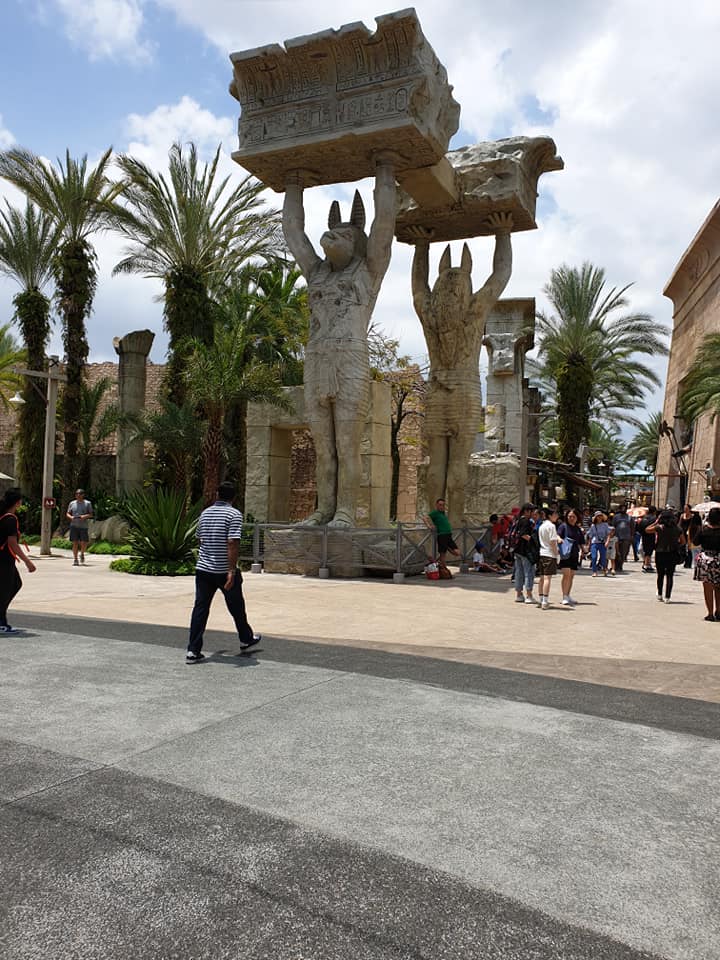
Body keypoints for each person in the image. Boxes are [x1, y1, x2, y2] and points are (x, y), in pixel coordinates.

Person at [186, 481, 260, 663]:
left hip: (203, 569)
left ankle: (193, 650)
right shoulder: (234, 514)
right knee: (236, 606)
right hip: (223, 570)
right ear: (234, 497)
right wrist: (231, 570)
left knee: (200, 608)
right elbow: (232, 542)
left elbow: (200, 539)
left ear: (217, 495)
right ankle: (246, 639)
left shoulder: (205, 513)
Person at [0, 487, 36, 633]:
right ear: (17, 502)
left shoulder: (3, 516)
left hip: (4, 560)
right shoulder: (11, 519)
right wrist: (27, 561)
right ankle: (1, 623)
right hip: (4, 560)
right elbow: (12, 543)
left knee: (14, 584)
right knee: (5, 591)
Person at [646, 509, 685, 604]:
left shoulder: (659, 527)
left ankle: (660, 594)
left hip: (660, 553)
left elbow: (647, 530)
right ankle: (667, 596)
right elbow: (683, 541)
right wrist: (676, 545)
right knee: (670, 575)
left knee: (660, 575)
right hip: (672, 553)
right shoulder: (678, 529)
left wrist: (656, 522)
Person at [694, 507, 720, 621]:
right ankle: (718, 611)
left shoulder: (703, 530)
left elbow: (695, 542)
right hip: (719, 559)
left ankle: (710, 613)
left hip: (706, 560)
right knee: (718, 588)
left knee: (707, 588)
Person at [557, 508, 585, 606]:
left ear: (577, 518)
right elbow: (557, 535)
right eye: (569, 516)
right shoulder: (563, 526)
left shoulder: (577, 529)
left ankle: (568, 595)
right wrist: (559, 539)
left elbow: (581, 541)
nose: (571, 518)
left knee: (571, 575)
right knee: (566, 574)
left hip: (574, 554)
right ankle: (564, 596)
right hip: (565, 554)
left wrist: (584, 550)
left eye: (573, 516)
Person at [512, 502, 538, 604]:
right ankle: (529, 595)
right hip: (525, 551)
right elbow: (524, 534)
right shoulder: (526, 521)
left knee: (519, 572)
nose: (533, 514)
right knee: (529, 572)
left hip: (518, 550)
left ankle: (519, 594)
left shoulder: (518, 520)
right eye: (532, 511)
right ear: (527, 511)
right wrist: (534, 542)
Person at [424, 498, 460, 571]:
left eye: (443, 505)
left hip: (448, 535)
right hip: (442, 535)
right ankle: (444, 570)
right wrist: (429, 526)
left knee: (457, 552)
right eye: (440, 505)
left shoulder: (443, 513)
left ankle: (440, 563)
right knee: (443, 555)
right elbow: (425, 518)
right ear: (437, 505)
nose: (442, 506)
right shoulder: (435, 513)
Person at [537, 506, 560, 609]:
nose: (557, 516)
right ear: (550, 516)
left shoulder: (542, 526)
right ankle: (545, 601)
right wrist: (557, 554)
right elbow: (553, 542)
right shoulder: (551, 526)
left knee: (542, 578)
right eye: (555, 514)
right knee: (547, 578)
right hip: (549, 554)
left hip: (542, 553)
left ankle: (541, 599)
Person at [66, 488, 93, 565]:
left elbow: (91, 514)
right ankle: (75, 559)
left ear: (83, 495)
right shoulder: (72, 503)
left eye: (80, 494)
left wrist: (84, 516)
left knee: (84, 542)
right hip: (74, 525)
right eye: (77, 494)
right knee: (75, 542)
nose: (78, 495)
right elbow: (68, 513)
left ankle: (82, 553)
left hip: (83, 526)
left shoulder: (87, 503)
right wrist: (71, 517)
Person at [587, 511, 612, 577]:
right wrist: (589, 545)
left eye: (600, 516)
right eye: (598, 516)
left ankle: (604, 569)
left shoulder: (605, 525)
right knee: (594, 557)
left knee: (603, 558)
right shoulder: (593, 526)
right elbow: (590, 536)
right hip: (594, 543)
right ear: (596, 517)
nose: (599, 517)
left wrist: (607, 542)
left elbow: (608, 534)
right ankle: (594, 571)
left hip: (602, 543)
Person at [611, 505, 634, 572]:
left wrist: (632, 536)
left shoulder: (629, 517)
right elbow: (613, 526)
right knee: (615, 552)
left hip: (626, 537)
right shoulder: (616, 517)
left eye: (624, 508)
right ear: (620, 509)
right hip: (617, 537)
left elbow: (632, 527)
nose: (623, 510)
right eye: (622, 508)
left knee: (623, 552)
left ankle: (620, 565)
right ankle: (615, 566)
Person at [638, 506, 657, 573]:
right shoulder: (654, 518)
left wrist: (642, 533)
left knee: (646, 550)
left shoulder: (644, 518)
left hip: (644, 536)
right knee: (649, 551)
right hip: (651, 536)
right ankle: (646, 565)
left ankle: (646, 564)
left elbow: (639, 527)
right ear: (654, 511)